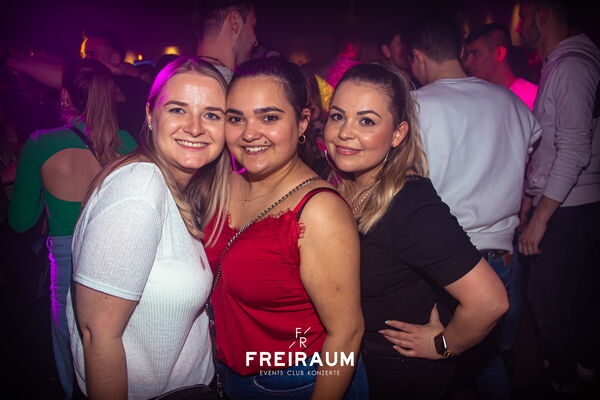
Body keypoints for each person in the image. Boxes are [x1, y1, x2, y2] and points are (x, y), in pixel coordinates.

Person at [323, 62, 508, 400]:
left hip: (397, 374)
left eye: (366, 121)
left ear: (398, 134)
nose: (344, 132)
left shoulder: (410, 205)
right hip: (353, 364)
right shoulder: (339, 186)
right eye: (338, 116)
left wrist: (444, 345)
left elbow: (489, 301)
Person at [65, 57, 230, 399]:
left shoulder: (176, 187)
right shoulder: (140, 187)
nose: (195, 127)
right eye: (178, 110)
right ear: (150, 116)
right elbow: (99, 335)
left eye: (212, 115)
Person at [203, 57, 367, 399]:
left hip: (298, 382)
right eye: (236, 118)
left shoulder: (320, 211)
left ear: (303, 122)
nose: (249, 133)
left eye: (269, 117)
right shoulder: (226, 185)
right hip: (228, 375)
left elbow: (347, 334)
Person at [404, 12, 541, 399]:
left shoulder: (414, 106)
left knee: (436, 358)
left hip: (447, 259)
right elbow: (534, 150)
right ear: (459, 51)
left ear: (418, 57)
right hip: (503, 254)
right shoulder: (508, 101)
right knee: (486, 359)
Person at [8, 58, 137, 399]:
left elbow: (20, 221)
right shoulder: (126, 144)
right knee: (115, 345)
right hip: (121, 257)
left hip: (68, 261)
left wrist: (43, 197)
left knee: (71, 353)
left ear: (65, 96)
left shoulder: (40, 144)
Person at [517, 0, 600, 394]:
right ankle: (583, 369)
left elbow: (574, 150)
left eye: (523, 16)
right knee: (579, 296)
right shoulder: (566, 63)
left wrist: (540, 217)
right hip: (572, 204)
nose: (519, 26)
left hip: (570, 207)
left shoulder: (571, 66)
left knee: (547, 299)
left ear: (542, 15)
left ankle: (563, 379)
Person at [6, 28, 150, 140]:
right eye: (83, 56)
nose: (85, 61)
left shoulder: (129, 85)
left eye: (93, 55)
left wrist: (10, 60)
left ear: (115, 59)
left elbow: (74, 78)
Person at [463, 23, 538, 110]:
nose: (467, 62)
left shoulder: (532, 97)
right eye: (467, 55)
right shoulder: (475, 96)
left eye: (475, 53)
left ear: (500, 53)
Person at [194, 0, 258, 82]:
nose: (256, 41)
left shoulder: (179, 78)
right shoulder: (243, 86)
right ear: (235, 22)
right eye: (253, 26)